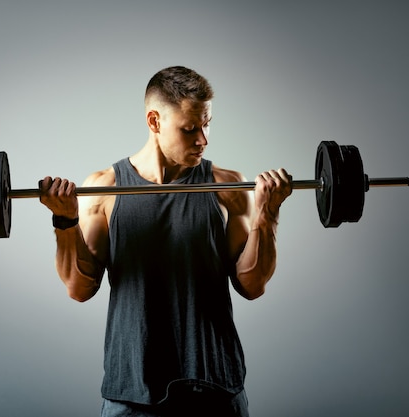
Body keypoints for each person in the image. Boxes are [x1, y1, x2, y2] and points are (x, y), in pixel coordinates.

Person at [39, 66, 292, 417]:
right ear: (154, 121)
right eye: (190, 129)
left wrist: (268, 214)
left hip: (215, 387)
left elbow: (252, 285)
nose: (203, 139)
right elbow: (79, 289)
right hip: (133, 391)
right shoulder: (104, 189)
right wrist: (65, 220)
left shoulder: (229, 187)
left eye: (207, 124)